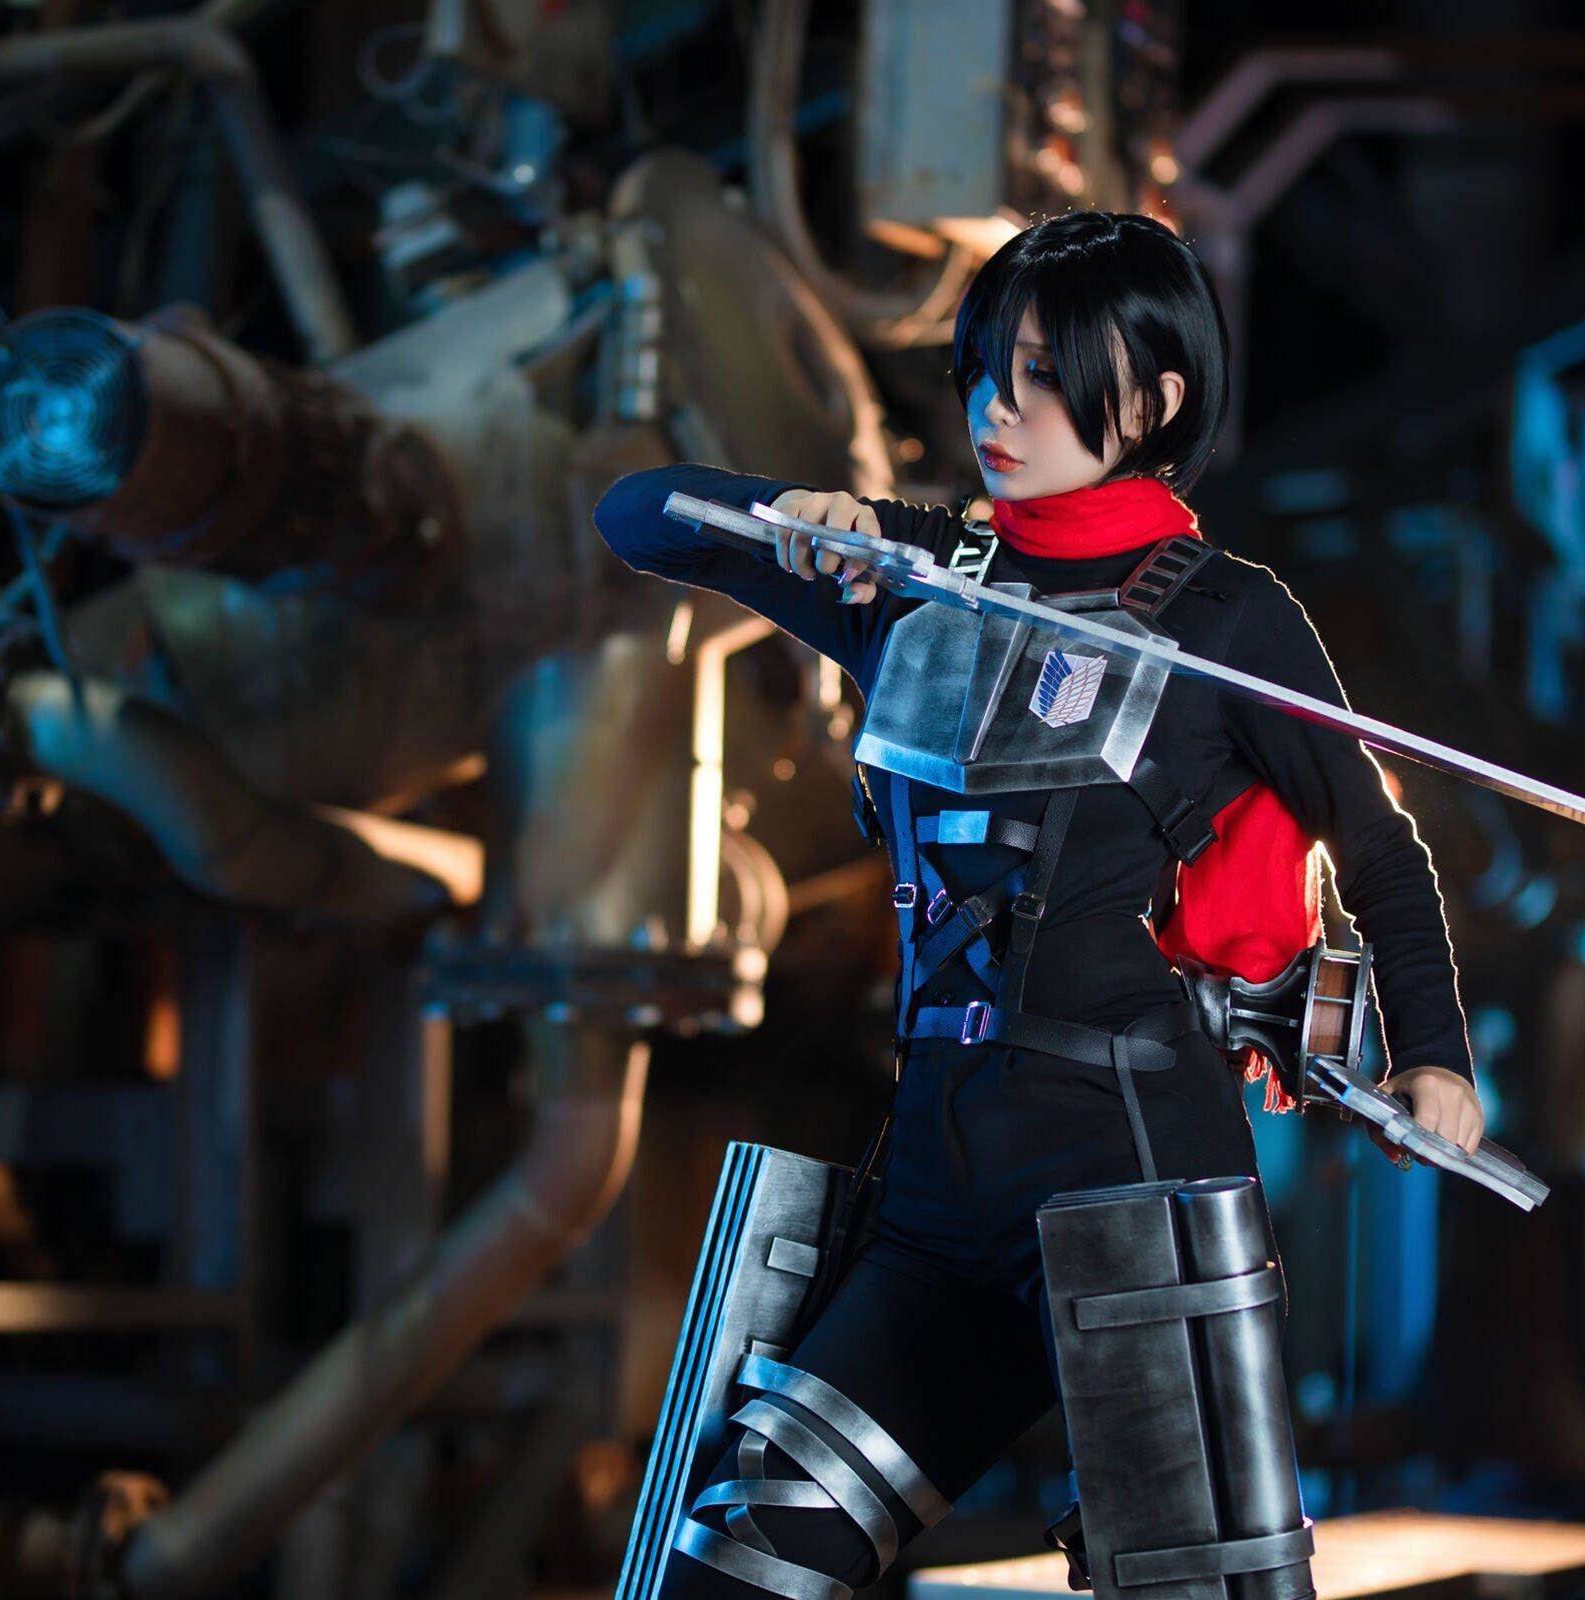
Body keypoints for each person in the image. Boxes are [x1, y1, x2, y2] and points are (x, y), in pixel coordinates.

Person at [593, 210, 1483, 1598]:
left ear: (1159, 399)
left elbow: (1377, 848)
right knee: (740, 1568)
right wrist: (804, 516)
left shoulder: (1228, 618)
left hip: (1131, 1163)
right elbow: (640, 518)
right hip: (939, 1187)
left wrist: (1436, 1053)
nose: (998, 410)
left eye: (1046, 376)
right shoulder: (919, 582)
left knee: (1195, 1590)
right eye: (985, 371)